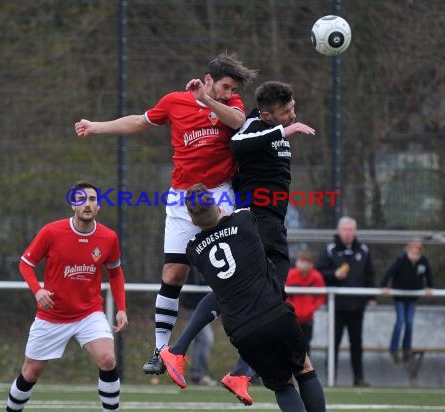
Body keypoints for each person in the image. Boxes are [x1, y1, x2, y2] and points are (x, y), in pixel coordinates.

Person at [74, 53, 258, 375]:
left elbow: (238, 121)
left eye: (233, 89)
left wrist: (209, 101)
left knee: (230, 276)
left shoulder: (231, 104)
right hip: (181, 200)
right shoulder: (174, 102)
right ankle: (161, 351)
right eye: (225, 87)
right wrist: (97, 126)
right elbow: (138, 122)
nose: (230, 93)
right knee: (173, 274)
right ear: (208, 78)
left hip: (219, 196)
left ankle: (247, 357)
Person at [160, 82, 326, 411]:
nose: (293, 114)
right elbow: (239, 141)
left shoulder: (265, 127)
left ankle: (234, 368)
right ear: (267, 114)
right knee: (268, 296)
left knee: (248, 291)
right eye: (286, 110)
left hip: (271, 223)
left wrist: (282, 129)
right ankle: (202, 357)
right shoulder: (256, 127)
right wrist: (284, 129)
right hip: (259, 224)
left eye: (293, 108)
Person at [169, 183, 324, 412]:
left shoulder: (194, 251)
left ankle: (198, 356)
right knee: (304, 369)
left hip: (242, 332)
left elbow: (208, 232)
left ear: (192, 221)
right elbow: (243, 212)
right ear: (219, 208)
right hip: (275, 315)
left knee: (282, 385)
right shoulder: (243, 222)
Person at [5, 181, 128, 412]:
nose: (87, 204)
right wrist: (38, 290)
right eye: (81, 199)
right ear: (73, 205)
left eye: (92, 199)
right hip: (52, 316)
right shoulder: (51, 231)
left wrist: (121, 308)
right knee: (30, 372)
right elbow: (25, 263)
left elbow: (115, 273)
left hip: (88, 313)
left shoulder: (108, 237)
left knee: (108, 359)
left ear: (99, 206)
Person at [316, 216, 375, 387]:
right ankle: (330, 377)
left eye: (351, 230)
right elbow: (319, 273)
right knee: (333, 342)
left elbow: (369, 274)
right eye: (346, 229)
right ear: (339, 231)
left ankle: (358, 378)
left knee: (356, 342)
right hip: (337, 306)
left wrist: (371, 297)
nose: (349, 233)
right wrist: (334, 275)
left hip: (357, 306)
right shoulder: (330, 250)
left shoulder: (363, 250)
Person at [380, 239, 434, 364]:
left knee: (409, 322)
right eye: (413, 253)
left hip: (412, 298)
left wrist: (429, 287)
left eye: (417, 253)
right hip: (400, 297)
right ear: (408, 250)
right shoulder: (400, 260)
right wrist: (384, 286)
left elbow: (429, 275)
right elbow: (389, 272)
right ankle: (394, 348)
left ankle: (406, 349)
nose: (415, 256)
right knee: (400, 321)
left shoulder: (423, 262)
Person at [180, 267, 217, 385]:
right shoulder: (193, 258)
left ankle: (197, 374)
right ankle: (198, 374)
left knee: (200, 339)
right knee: (205, 339)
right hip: (194, 305)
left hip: (203, 304)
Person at [286, 250, 327, 355]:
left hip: (308, 318)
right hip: (293, 318)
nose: (299, 263)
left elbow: (322, 296)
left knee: (306, 344)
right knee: (291, 344)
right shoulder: (291, 275)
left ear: (310, 264)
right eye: (299, 261)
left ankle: (305, 369)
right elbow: (284, 294)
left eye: (303, 261)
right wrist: (290, 307)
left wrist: (313, 307)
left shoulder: (316, 277)